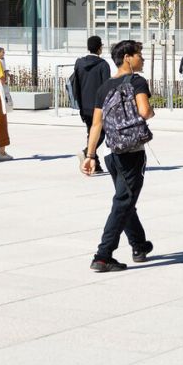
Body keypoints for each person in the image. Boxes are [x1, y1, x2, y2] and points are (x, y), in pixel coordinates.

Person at [83, 39, 155, 272]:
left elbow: (96, 125)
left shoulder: (104, 87)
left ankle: (139, 245)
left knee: (126, 199)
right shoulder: (137, 81)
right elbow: (145, 111)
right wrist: (150, 111)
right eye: (139, 54)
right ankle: (103, 256)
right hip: (131, 152)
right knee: (123, 201)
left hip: (110, 153)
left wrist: (90, 154)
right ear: (127, 58)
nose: (141, 58)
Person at [69, 36, 113, 159]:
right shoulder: (103, 65)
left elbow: (76, 83)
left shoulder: (79, 63)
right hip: (98, 106)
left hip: (84, 105)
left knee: (91, 132)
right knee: (100, 134)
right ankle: (87, 152)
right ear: (100, 48)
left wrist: (79, 102)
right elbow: (107, 88)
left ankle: (94, 163)